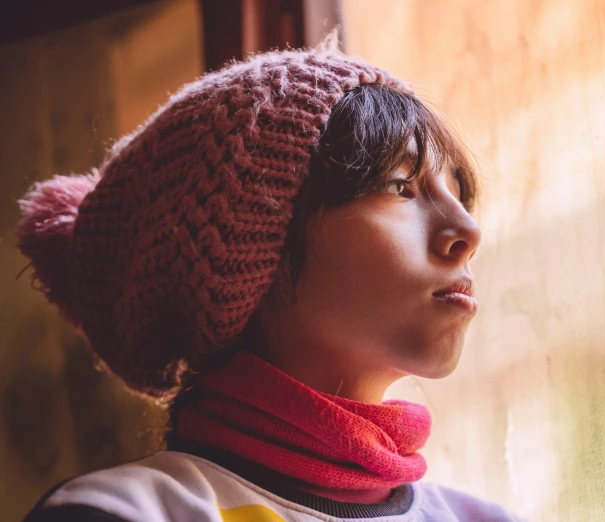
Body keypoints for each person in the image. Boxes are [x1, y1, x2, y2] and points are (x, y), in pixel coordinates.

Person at [15, 38, 523, 522]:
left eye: (458, 192)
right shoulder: (119, 514)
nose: (468, 230)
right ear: (256, 241)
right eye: (399, 186)